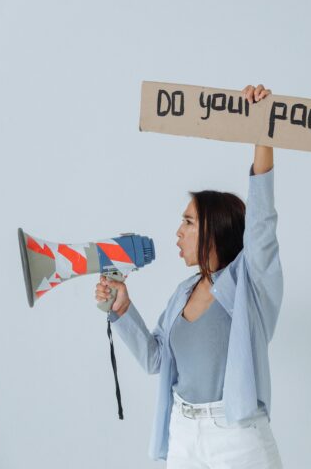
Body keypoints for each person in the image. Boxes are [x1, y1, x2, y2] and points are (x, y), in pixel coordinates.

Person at [95, 83, 283, 468]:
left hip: (237, 438)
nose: (178, 232)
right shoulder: (183, 292)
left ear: (214, 229)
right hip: (183, 435)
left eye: (188, 221)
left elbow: (262, 223)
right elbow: (156, 359)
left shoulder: (251, 284)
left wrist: (262, 133)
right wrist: (123, 309)